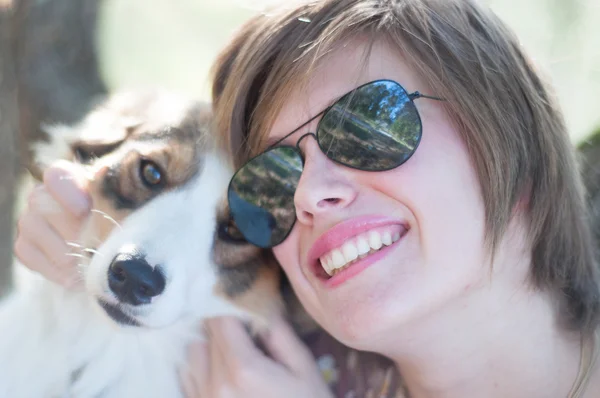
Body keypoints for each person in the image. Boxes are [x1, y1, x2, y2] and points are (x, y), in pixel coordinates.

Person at [14, 0, 600, 397]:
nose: (309, 194)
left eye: (369, 125)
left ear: (510, 146)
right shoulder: (249, 371)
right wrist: (69, 248)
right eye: (271, 178)